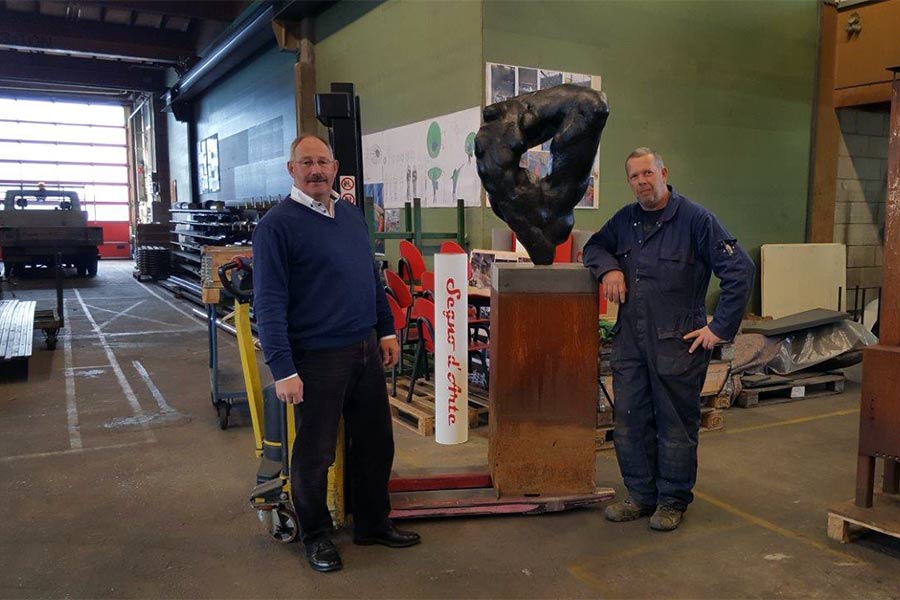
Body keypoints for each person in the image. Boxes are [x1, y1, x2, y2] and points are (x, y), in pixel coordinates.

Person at [252, 134, 420, 572]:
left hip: (364, 348)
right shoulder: (276, 225)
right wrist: (282, 367)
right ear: (292, 170)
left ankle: (371, 523)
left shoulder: (349, 215)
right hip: (316, 357)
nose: (316, 170)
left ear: (335, 166)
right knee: (316, 452)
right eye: (306, 162)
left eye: (323, 162)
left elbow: (371, 277)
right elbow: (268, 302)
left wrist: (385, 331)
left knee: (375, 443)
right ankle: (316, 534)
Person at [583, 148, 754, 531]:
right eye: (633, 177)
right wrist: (609, 268)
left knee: (675, 425)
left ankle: (672, 501)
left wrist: (719, 328)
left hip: (678, 343)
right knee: (629, 422)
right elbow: (593, 246)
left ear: (663, 172)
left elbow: (740, 270)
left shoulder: (696, 220)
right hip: (630, 342)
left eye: (647, 173)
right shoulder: (625, 221)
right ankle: (641, 496)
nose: (641, 181)